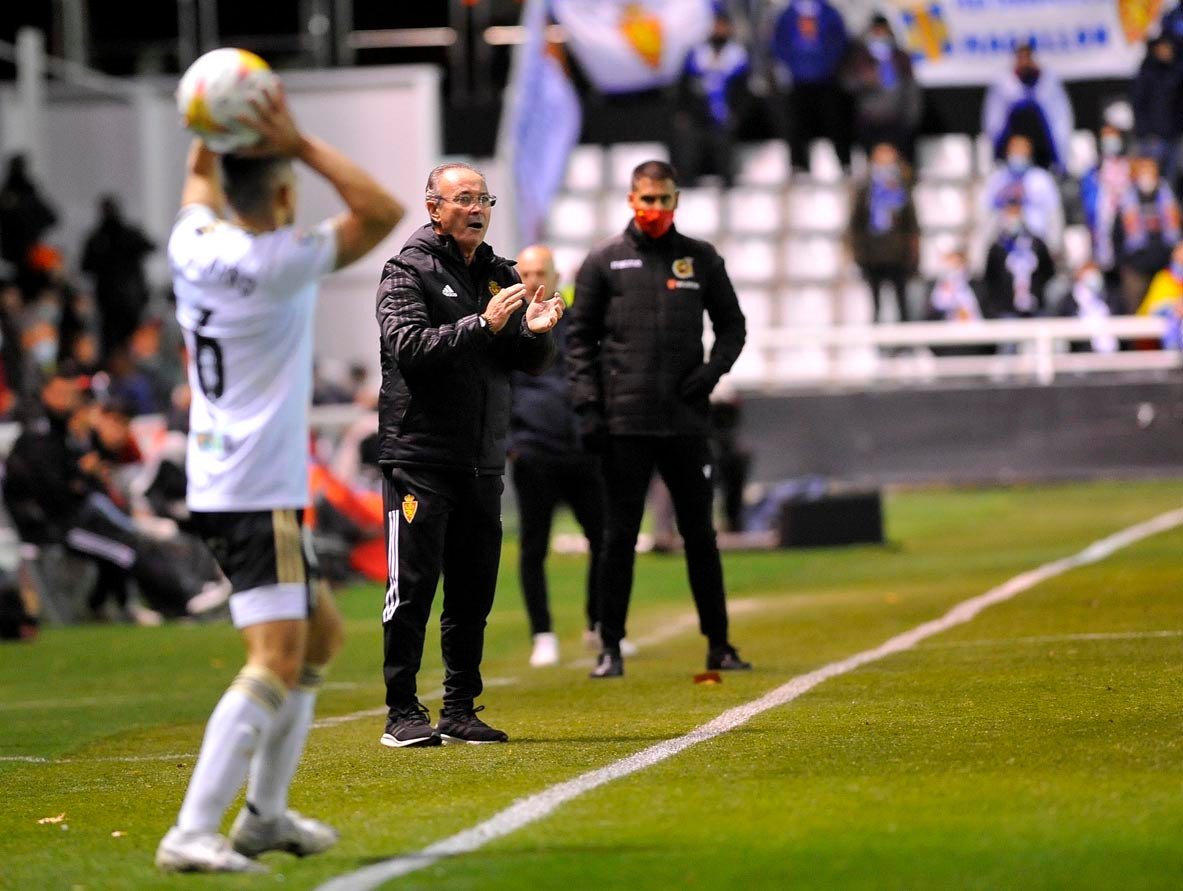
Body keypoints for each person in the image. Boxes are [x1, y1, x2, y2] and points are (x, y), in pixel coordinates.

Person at [156, 85, 404, 873]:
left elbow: (201, 186)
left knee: (321, 633)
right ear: (287, 193)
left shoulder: (192, 243)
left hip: (227, 477)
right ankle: (193, 830)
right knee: (274, 654)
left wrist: (208, 125)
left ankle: (263, 816)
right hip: (254, 488)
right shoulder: (278, 262)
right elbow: (382, 210)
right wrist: (296, 139)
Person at [375, 163, 562, 748]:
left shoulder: (500, 273)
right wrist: (481, 325)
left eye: (484, 198)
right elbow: (408, 348)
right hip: (420, 456)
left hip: (482, 457)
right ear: (434, 208)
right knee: (412, 588)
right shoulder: (404, 270)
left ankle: (459, 708)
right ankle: (401, 712)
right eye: (463, 199)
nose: (477, 208)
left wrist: (534, 333)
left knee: (473, 590)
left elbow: (526, 363)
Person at [566, 159, 751, 679]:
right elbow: (578, 340)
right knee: (617, 538)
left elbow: (733, 327)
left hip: (686, 422)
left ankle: (719, 645)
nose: (654, 210)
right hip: (623, 425)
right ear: (631, 200)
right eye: (647, 200)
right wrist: (589, 406)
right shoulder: (602, 261)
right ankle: (611, 648)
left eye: (663, 200)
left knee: (701, 535)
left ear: (675, 202)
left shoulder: (701, 259)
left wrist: (711, 374)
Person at [508, 244, 607, 667]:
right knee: (534, 546)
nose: (533, 280)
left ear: (557, 275)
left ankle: (600, 625)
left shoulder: (579, 322)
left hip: (582, 447)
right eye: (526, 272)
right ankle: (542, 634)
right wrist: (512, 441)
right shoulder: (507, 325)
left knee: (604, 539)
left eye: (540, 271)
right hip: (534, 451)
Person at [769, 0, 852, 175]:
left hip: (826, 79)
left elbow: (840, 40)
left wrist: (828, 66)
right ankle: (799, 166)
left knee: (835, 122)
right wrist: (793, 67)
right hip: (798, 80)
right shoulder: (787, 14)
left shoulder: (829, 12)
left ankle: (844, 163)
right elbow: (778, 42)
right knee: (797, 124)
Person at [672, 9, 751, 187]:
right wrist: (684, 111)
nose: (719, 29)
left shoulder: (737, 55)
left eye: (723, 26)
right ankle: (688, 189)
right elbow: (683, 85)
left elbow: (743, 91)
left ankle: (729, 190)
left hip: (724, 115)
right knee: (688, 153)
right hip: (698, 115)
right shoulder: (696, 53)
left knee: (725, 158)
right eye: (717, 25)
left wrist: (737, 113)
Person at [849, 142, 919, 324]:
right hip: (873, 256)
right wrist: (859, 254)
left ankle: (904, 345)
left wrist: (911, 254)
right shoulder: (865, 190)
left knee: (902, 303)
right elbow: (855, 225)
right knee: (876, 305)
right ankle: (878, 346)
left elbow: (911, 225)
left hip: (898, 256)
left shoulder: (902, 188)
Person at [981, 40, 1074, 174]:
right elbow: (994, 116)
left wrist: (1061, 150)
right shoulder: (1004, 81)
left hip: (1042, 148)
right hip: (1012, 146)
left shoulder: (1047, 80)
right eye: (1021, 56)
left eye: (1027, 56)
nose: (1024, 60)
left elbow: (1060, 114)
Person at [80, 194, 156, 355]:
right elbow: (85, 266)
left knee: (133, 343)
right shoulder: (98, 239)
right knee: (114, 345)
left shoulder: (125, 235)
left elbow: (150, 247)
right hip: (112, 303)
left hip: (129, 301)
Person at [842, 13, 923, 164]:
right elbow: (847, 84)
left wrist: (912, 119)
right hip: (870, 122)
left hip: (897, 121)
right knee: (874, 164)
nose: (880, 35)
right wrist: (864, 80)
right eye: (876, 31)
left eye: (883, 31)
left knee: (901, 164)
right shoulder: (861, 57)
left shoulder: (900, 57)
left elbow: (912, 90)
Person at [1112, 156, 1182, 313]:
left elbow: (1178, 231)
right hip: (1137, 269)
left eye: (1151, 173)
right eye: (1144, 173)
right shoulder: (1126, 202)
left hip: (1166, 270)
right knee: (1136, 314)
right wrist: (1125, 263)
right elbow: (1116, 236)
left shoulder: (1169, 198)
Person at [979, 134, 1064, 257]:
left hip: (1036, 244)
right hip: (1001, 245)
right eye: (1015, 151)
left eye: (1022, 151)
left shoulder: (1041, 179)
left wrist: (1054, 247)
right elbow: (984, 212)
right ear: (1008, 152)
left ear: (1029, 154)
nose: (1019, 155)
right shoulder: (997, 178)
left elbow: (1054, 214)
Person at [983, 199, 1055, 320]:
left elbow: (1048, 271)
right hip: (1007, 309)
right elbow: (991, 277)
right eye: (1010, 213)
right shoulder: (998, 247)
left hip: (1035, 307)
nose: (1013, 217)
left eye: (1016, 213)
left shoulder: (1036, 243)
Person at [0, 153, 58, 294]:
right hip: (15, 255)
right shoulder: (16, 193)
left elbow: (51, 218)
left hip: (27, 255)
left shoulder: (26, 193)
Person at [1130, 36, 1182, 185]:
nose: (1167, 51)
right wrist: (1146, 132)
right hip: (1152, 138)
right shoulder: (1147, 72)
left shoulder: (1176, 72)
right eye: (1163, 48)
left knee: (1170, 181)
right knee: (1151, 181)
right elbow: (1138, 104)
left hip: (1173, 136)